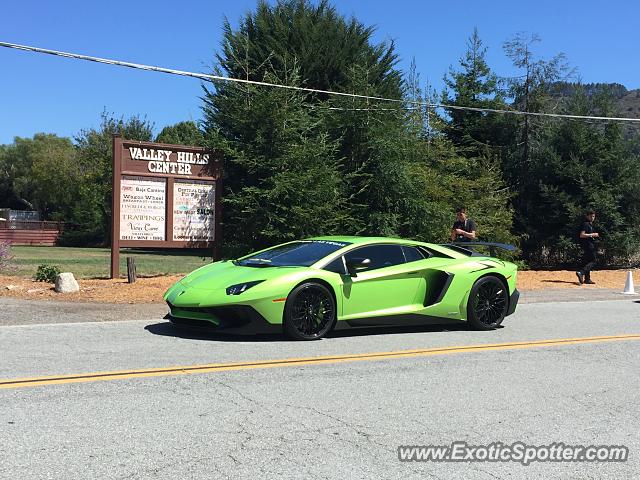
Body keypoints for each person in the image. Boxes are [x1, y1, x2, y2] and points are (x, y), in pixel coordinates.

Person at [576, 210, 599, 285]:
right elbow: (582, 235)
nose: (592, 218)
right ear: (587, 216)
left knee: (587, 261)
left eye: (593, 216)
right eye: (591, 216)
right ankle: (581, 272)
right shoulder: (585, 224)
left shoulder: (590, 224)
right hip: (588, 245)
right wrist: (592, 234)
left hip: (588, 244)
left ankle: (587, 279)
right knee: (594, 261)